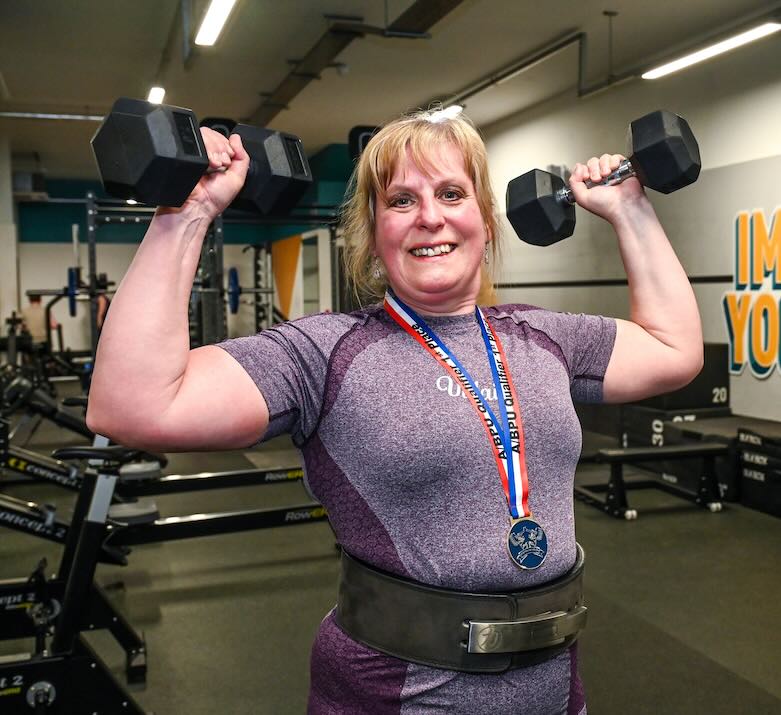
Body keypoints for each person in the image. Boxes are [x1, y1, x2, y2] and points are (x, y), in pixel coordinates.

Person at [87, 107, 703, 714]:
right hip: (392, 694)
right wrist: (188, 213)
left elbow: (675, 351)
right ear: (373, 231)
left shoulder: (545, 338)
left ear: (486, 220)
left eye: (452, 193)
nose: (430, 217)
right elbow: (133, 404)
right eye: (401, 201)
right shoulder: (323, 352)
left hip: (553, 686)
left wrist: (630, 210)